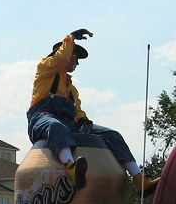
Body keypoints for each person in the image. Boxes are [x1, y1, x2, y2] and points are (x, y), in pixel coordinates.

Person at [27, 29, 152, 193]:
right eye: (75, 58)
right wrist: (71, 38)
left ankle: (139, 179)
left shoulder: (72, 90)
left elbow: (77, 110)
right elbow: (61, 58)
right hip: (43, 118)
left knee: (113, 135)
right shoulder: (44, 68)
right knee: (56, 126)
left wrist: (82, 120)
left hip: (68, 123)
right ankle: (71, 168)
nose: (77, 63)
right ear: (67, 53)